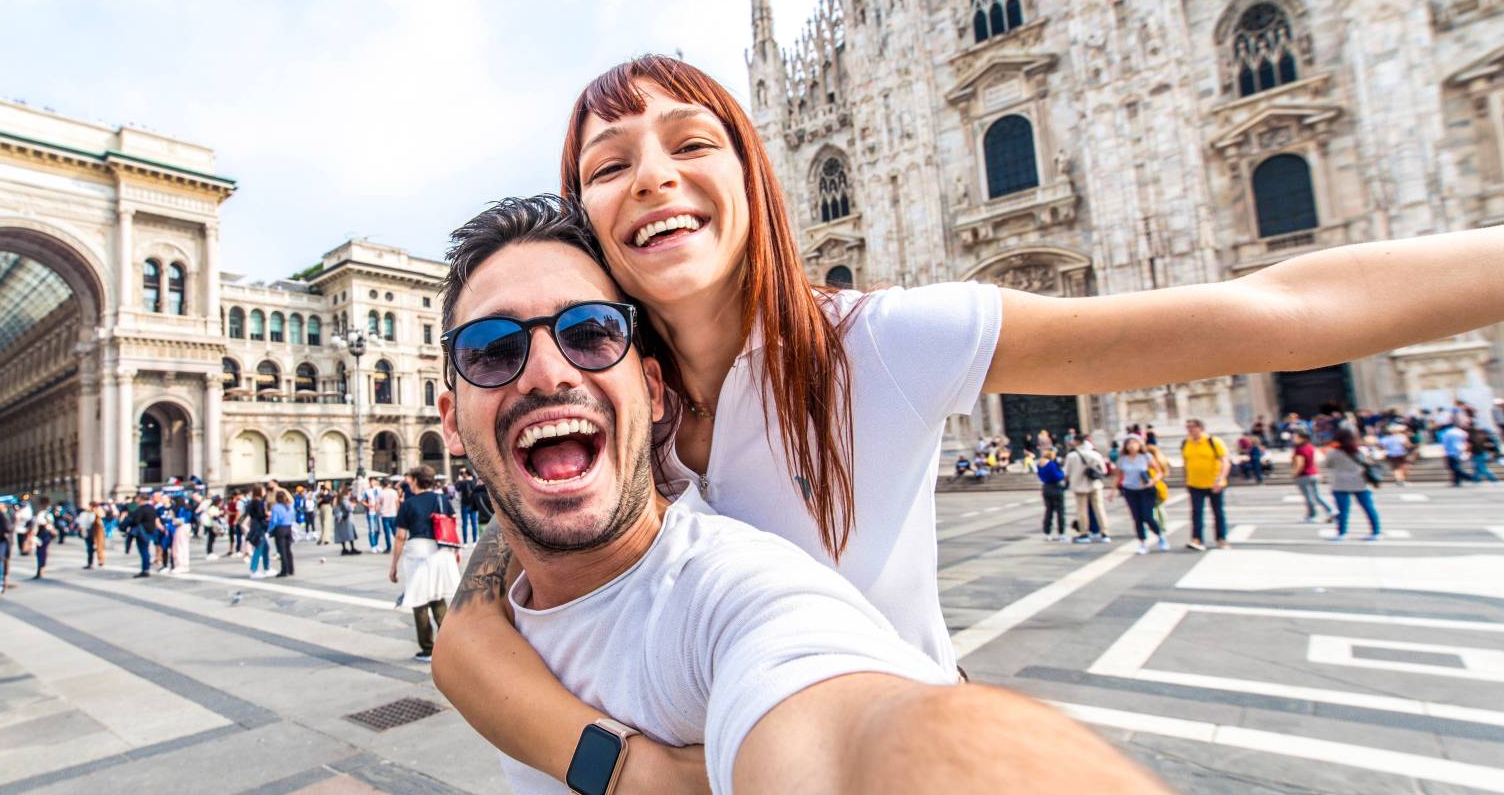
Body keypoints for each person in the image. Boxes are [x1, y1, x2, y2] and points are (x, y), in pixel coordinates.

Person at [436, 55, 1504, 787]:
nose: (655, 175)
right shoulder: (610, 391)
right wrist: (627, 771)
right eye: (610, 164)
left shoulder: (876, 344)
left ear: (753, 175)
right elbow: (476, 622)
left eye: (691, 143)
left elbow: (1277, 308)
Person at [429, 209, 1163, 794]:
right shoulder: (502, 588)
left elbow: (844, 727)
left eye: (590, 333)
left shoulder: (726, 593)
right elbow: (461, 642)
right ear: (451, 422)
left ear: (655, 391)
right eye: (491, 350)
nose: (548, 371)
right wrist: (632, 773)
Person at [390, 465, 461, 662]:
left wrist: (394, 565)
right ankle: (451, 646)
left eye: (410, 479)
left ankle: (428, 649)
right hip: (441, 552)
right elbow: (451, 525)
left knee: (419, 600)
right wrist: (455, 551)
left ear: (416, 480)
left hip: (418, 553)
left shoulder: (408, 504)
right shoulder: (442, 499)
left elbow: (400, 536)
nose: (408, 483)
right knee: (437, 598)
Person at [1180, 419, 1231, 551]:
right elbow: (1186, 463)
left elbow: (1225, 461)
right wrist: (1186, 479)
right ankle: (1197, 539)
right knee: (1196, 512)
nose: (1190, 430)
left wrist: (1220, 479)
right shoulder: (1186, 443)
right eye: (1188, 427)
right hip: (1194, 484)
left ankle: (1221, 539)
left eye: (1192, 427)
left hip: (1214, 483)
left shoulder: (1213, 441)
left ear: (1200, 428)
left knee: (1218, 512)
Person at [1324, 428, 1382, 541]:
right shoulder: (1359, 451)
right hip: (1359, 481)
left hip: (1340, 483)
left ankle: (1341, 533)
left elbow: (1327, 464)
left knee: (1343, 510)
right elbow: (1366, 462)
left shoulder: (1333, 452)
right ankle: (1376, 531)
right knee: (1368, 508)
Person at [1112, 436, 1166, 555]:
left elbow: (1159, 472)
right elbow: (1118, 476)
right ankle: (1142, 543)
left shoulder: (1146, 456)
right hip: (1130, 490)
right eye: (1129, 443)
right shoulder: (1122, 459)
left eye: (1134, 443)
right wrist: (1112, 491)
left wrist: (1153, 481)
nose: (1131, 445)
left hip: (1146, 490)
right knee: (1137, 518)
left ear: (1139, 445)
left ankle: (1160, 535)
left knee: (1147, 516)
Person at [1063, 437, 1110, 543]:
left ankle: (1084, 534)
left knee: (1081, 511)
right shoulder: (1096, 454)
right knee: (1099, 509)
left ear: (1077, 442)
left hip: (1079, 486)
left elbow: (1066, 473)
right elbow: (1104, 470)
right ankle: (1104, 533)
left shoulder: (1071, 456)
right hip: (1095, 485)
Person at [1291, 439, 1337, 523]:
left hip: (1304, 475)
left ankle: (1312, 515)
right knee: (1316, 495)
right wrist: (1317, 472)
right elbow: (1314, 461)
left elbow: (1300, 464)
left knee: (1308, 497)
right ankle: (1331, 510)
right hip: (1313, 473)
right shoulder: (1310, 447)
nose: (1294, 439)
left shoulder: (1299, 449)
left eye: (1296, 437)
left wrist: (1294, 473)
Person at [1035, 449, 1067, 541]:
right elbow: (1056, 476)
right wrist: (1062, 474)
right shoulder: (1051, 464)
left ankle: (1047, 532)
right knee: (1060, 511)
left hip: (1046, 488)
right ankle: (1061, 533)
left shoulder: (1040, 465)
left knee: (1048, 511)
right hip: (1055, 487)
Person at [127, 494, 158, 578]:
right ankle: (146, 569)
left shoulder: (141, 509)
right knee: (146, 550)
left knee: (144, 551)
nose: (136, 500)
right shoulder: (152, 508)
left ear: (141, 499)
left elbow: (136, 521)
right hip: (150, 531)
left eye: (137, 498)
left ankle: (145, 569)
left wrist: (129, 522)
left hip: (142, 532)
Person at [269, 486, 297, 578]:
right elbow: (293, 517)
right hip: (288, 528)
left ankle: (284, 570)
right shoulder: (290, 507)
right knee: (288, 550)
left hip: (280, 529)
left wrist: (269, 529)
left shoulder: (276, 508)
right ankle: (291, 569)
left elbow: (274, 520)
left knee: (282, 551)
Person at [246, 490, 273, 579]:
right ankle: (254, 569)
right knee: (259, 547)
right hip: (259, 527)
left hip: (256, 526)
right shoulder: (258, 502)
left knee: (265, 548)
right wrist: (267, 515)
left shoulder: (251, 502)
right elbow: (260, 514)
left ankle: (266, 568)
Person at [1441, 422, 1471, 487]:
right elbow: (1466, 441)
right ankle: (1457, 481)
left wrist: (1444, 451)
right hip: (1460, 450)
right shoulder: (1462, 432)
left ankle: (1467, 476)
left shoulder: (1447, 433)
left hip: (1451, 452)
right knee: (1456, 466)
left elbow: (1445, 443)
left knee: (1453, 467)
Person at [455, 469, 481, 544]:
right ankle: (474, 541)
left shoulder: (462, 482)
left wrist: (459, 479)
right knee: (474, 523)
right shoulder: (474, 481)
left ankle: (465, 542)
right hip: (473, 505)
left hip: (464, 505)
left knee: (465, 524)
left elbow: (457, 488)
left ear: (465, 474)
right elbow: (475, 478)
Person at [377, 478, 401, 553]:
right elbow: (397, 503)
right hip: (393, 514)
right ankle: (399, 546)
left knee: (387, 532)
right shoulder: (394, 492)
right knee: (395, 531)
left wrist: (377, 511)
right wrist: (398, 512)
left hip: (385, 515)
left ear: (382, 485)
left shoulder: (381, 493)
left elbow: (378, 504)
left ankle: (388, 547)